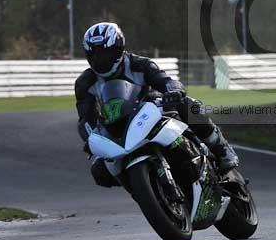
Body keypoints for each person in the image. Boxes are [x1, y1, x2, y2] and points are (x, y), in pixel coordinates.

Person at [75, 21, 239, 187]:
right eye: (95, 55)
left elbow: (165, 80)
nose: (100, 60)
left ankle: (222, 149)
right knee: (99, 171)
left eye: (105, 54)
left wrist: (173, 91)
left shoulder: (139, 64)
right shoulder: (84, 83)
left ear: (118, 49)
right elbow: (85, 118)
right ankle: (141, 188)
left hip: (150, 111)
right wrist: (90, 138)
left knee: (188, 104)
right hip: (116, 127)